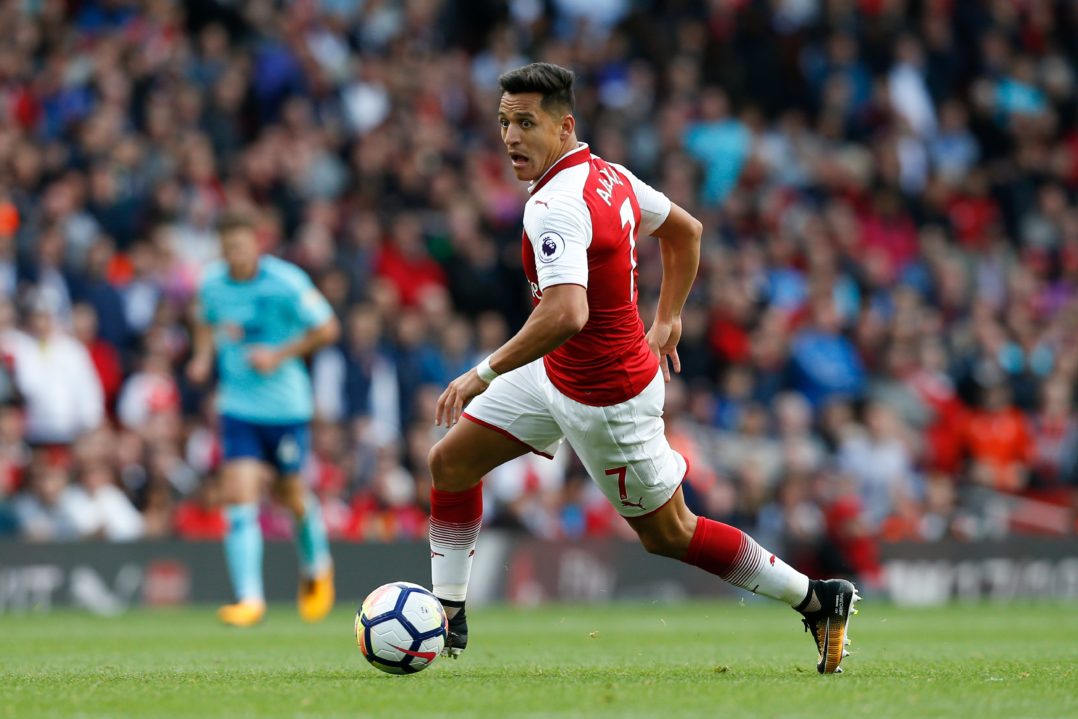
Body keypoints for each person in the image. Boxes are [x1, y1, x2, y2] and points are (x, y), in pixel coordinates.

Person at [427, 63, 859, 674]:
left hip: (608, 399)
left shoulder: (555, 204)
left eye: (526, 122)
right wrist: (668, 318)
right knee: (450, 461)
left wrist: (482, 373)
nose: (510, 137)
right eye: (503, 122)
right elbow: (685, 231)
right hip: (558, 372)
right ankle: (446, 617)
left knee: (669, 534)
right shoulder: (608, 175)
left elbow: (567, 312)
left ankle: (817, 598)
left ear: (564, 125)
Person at [187, 214, 340, 627]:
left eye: (242, 245)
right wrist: (202, 357)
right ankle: (249, 599)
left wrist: (279, 355)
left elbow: (328, 329)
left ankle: (317, 568)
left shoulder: (286, 281)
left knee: (291, 498)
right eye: (228, 247)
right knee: (239, 495)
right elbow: (203, 318)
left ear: (257, 244)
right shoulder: (212, 283)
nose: (235, 254)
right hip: (237, 407)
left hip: (286, 408)